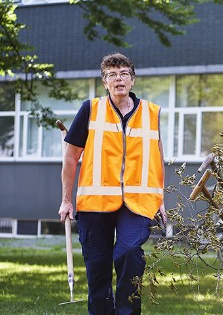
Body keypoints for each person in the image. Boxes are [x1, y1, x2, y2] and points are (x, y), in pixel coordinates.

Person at [58, 53, 166, 315]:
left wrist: (161, 198)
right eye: (112, 75)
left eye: (124, 74)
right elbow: (71, 157)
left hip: (137, 203)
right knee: (98, 269)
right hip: (95, 203)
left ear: (132, 79)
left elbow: (157, 157)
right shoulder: (90, 109)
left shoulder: (151, 113)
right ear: (104, 82)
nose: (119, 79)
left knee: (129, 253)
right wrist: (66, 199)